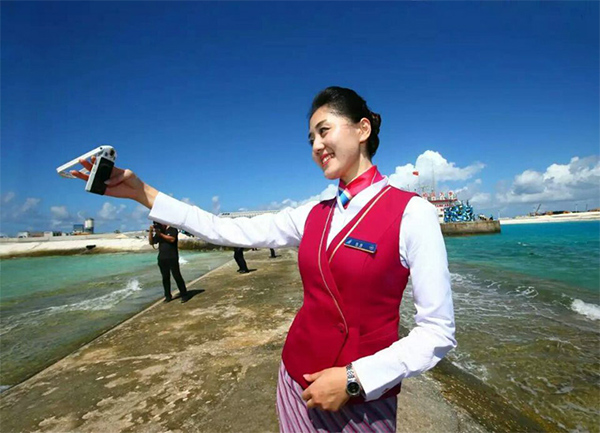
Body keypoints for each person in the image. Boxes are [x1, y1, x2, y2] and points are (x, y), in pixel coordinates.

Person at [73, 86, 456, 432]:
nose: (316, 147)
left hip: (360, 401)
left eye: (324, 131)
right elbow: (224, 229)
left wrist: (356, 378)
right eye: (310, 139)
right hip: (293, 381)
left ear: (362, 130)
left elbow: (437, 332)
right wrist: (143, 192)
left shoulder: (411, 212)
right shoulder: (311, 213)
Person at [149, 222, 189, 303]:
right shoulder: (159, 231)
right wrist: (150, 232)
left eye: (158, 223)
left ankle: (184, 294)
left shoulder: (172, 229)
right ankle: (167, 296)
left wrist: (160, 234)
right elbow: (151, 242)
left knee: (177, 276)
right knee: (165, 278)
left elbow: (172, 239)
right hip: (162, 258)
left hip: (172, 257)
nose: (158, 225)